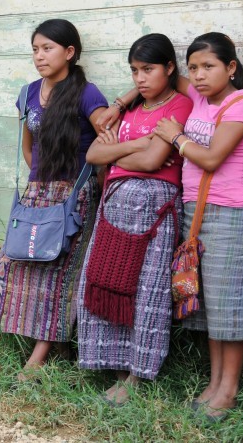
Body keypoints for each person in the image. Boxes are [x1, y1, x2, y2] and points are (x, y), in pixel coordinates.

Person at [76, 34, 192, 405]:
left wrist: (118, 155)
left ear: (170, 68)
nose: (140, 78)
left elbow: (152, 162)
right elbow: (94, 153)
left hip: (153, 215)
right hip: (113, 210)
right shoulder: (129, 111)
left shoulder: (181, 106)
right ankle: (110, 363)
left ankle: (136, 375)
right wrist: (134, 145)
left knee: (145, 293)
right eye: (134, 71)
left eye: (148, 69)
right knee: (104, 281)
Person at [153, 32, 243, 422]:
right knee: (213, 306)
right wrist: (120, 102)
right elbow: (162, 77)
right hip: (197, 215)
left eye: (209, 67)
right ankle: (214, 384)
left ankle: (228, 391)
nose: (198, 75)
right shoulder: (201, 98)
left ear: (231, 68)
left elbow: (212, 158)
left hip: (232, 217)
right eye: (194, 67)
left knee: (231, 305)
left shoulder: (242, 107)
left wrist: (176, 136)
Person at [0, 19, 108, 381]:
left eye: (47, 48)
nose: (39, 56)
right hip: (38, 192)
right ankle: (55, 343)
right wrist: (40, 181)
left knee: (58, 273)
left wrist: (74, 187)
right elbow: (29, 146)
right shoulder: (28, 92)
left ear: (69, 52)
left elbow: (108, 142)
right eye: (35, 49)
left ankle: (39, 357)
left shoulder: (88, 94)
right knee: (16, 265)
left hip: (74, 196)